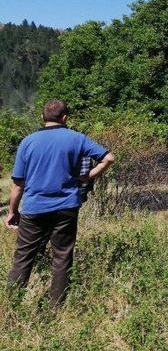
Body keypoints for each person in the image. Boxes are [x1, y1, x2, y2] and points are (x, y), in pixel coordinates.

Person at [5, 100, 115, 305]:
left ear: (42, 117)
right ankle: (57, 307)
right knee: (62, 257)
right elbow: (109, 158)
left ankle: (11, 306)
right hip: (67, 207)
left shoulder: (28, 141)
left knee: (23, 258)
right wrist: (88, 175)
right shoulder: (76, 138)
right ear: (64, 118)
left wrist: (12, 211)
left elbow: (18, 184)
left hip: (34, 209)